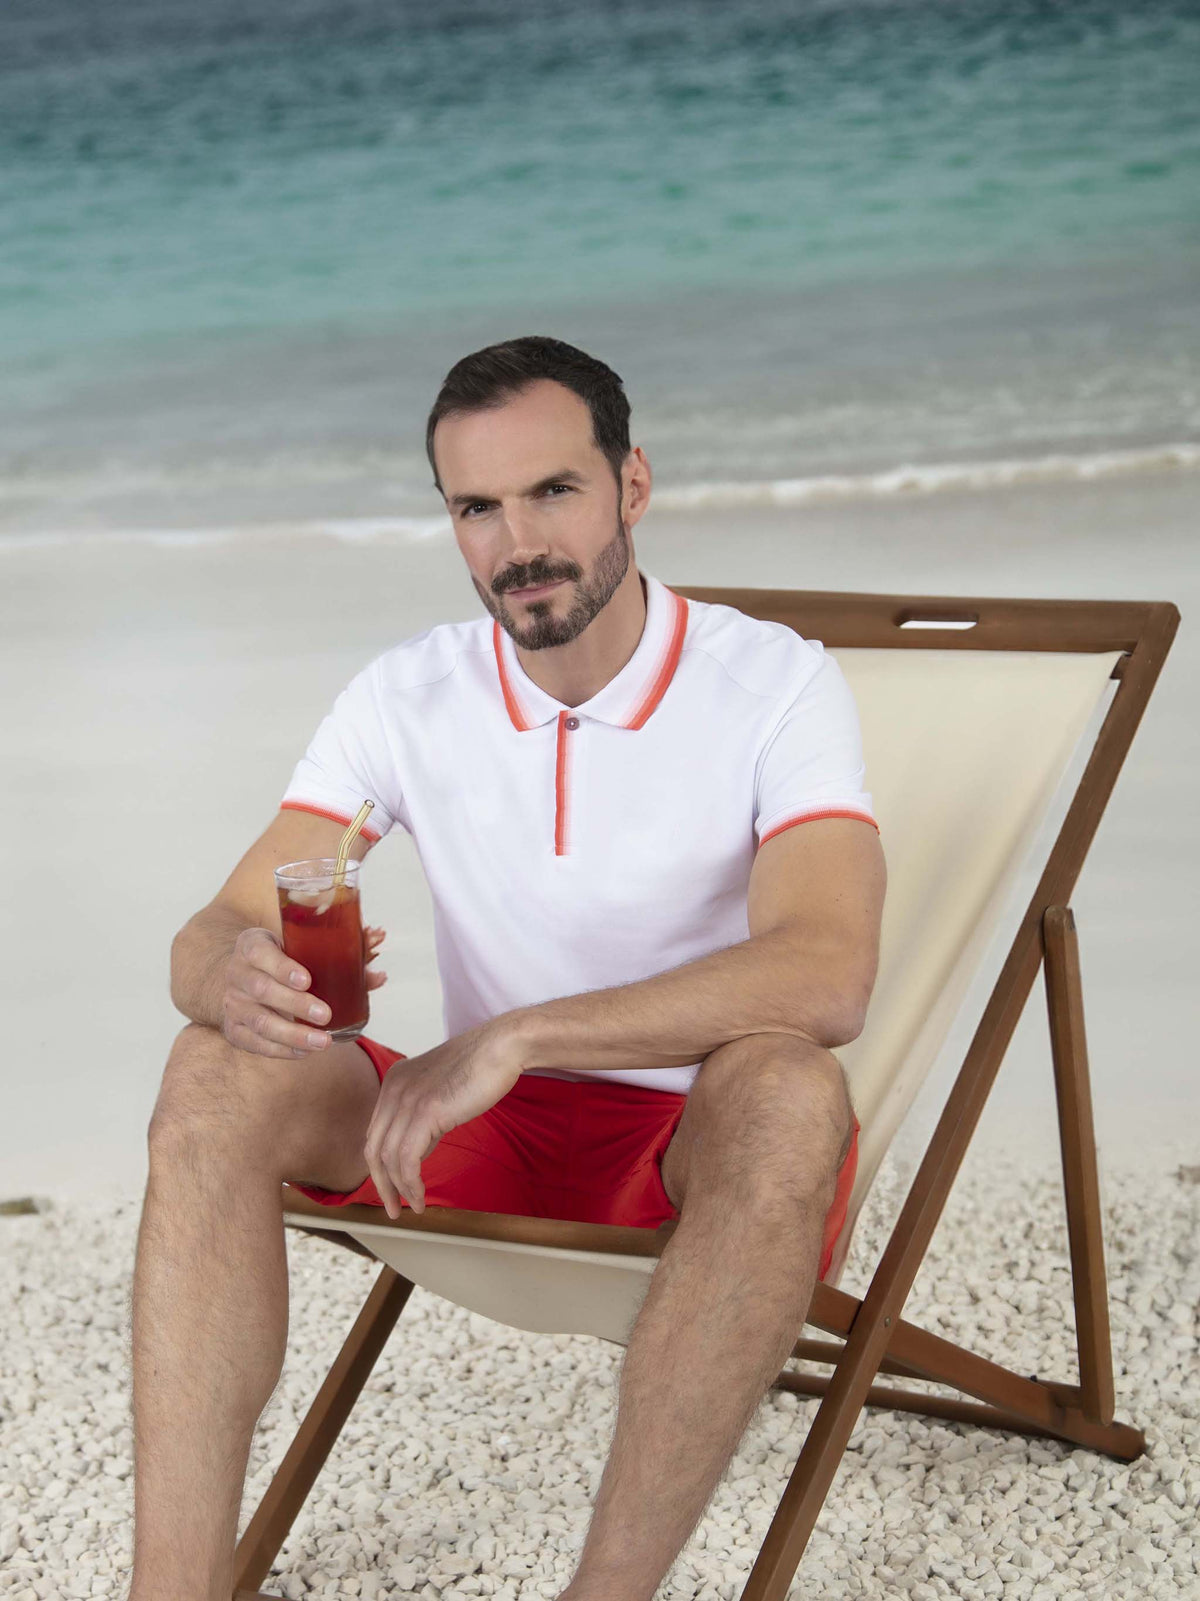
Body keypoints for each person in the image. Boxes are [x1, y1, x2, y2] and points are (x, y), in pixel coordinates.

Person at [129, 335, 887, 1601]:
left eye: (554, 491)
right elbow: (210, 927)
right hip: (466, 1133)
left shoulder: (773, 684)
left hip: (687, 1145)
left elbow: (828, 975)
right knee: (214, 1068)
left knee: (789, 1087)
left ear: (632, 486)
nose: (518, 542)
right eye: (477, 507)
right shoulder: (406, 693)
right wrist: (230, 977)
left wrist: (519, 1032)